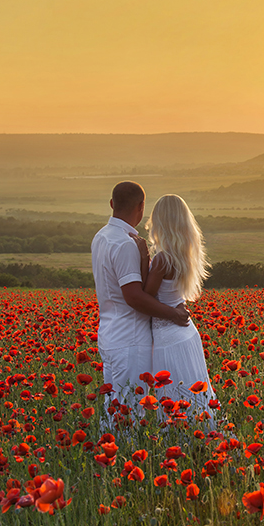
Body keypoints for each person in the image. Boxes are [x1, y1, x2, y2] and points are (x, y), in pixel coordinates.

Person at [91, 181, 189, 430]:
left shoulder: (101, 237)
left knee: (113, 407)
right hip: (131, 339)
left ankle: (108, 456)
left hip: (109, 333)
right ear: (141, 207)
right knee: (130, 410)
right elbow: (134, 297)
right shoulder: (125, 244)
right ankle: (124, 461)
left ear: (112, 204)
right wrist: (174, 314)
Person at [134, 193, 217, 431]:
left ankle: (180, 446)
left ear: (160, 222)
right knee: (195, 395)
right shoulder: (186, 254)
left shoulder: (162, 259)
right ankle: (204, 442)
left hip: (167, 338)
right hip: (187, 334)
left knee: (172, 399)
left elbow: (145, 297)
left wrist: (142, 258)